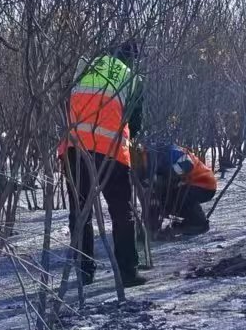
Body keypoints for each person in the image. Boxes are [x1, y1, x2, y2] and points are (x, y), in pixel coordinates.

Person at [59, 41, 144, 287]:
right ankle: (128, 271)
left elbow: (66, 106)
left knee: (80, 212)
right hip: (111, 152)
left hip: (74, 149)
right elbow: (136, 120)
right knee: (122, 212)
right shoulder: (130, 76)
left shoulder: (85, 66)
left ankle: (84, 271)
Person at [140, 141, 218, 236]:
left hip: (203, 184)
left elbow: (187, 163)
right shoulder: (145, 161)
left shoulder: (166, 151)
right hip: (182, 185)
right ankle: (154, 229)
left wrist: (169, 176)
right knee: (156, 198)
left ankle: (198, 223)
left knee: (182, 195)